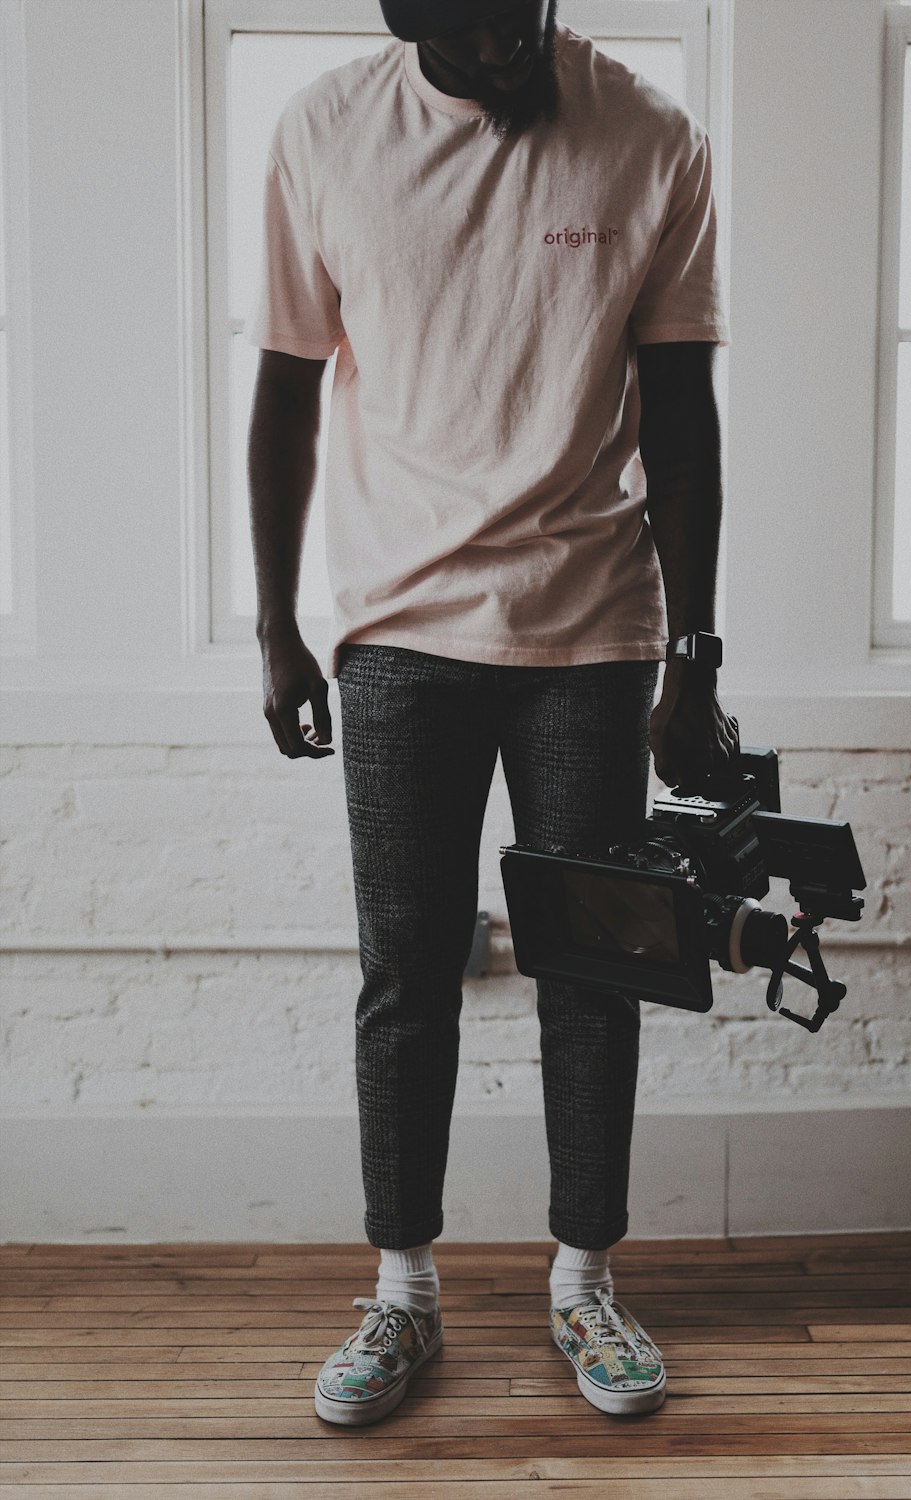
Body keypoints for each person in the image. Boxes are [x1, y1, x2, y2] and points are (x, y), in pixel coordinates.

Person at [246, 0, 737, 1426]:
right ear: (405, 13)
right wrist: (280, 630)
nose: (508, 37)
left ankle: (584, 1281)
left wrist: (692, 660)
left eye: (525, 9)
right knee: (406, 973)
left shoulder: (649, 136)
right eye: (468, 22)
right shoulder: (327, 131)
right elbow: (285, 393)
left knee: (595, 968)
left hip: (592, 637)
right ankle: (402, 1297)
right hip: (397, 638)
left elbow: (685, 410)